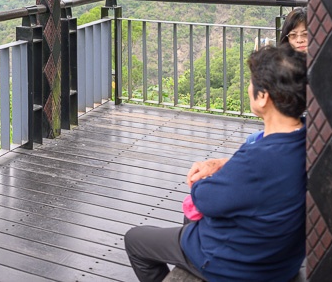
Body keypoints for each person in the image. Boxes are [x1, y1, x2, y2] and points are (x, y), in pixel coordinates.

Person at [124, 45, 307, 282]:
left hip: (236, 263)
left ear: (263, 97)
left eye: (252, 83)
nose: (249, 88)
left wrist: (202, 180)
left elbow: (205, 199)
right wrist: (222, 164)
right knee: (188, 225)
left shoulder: (257, 160)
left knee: (136, 239)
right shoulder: (308, 141)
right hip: (282, 260)